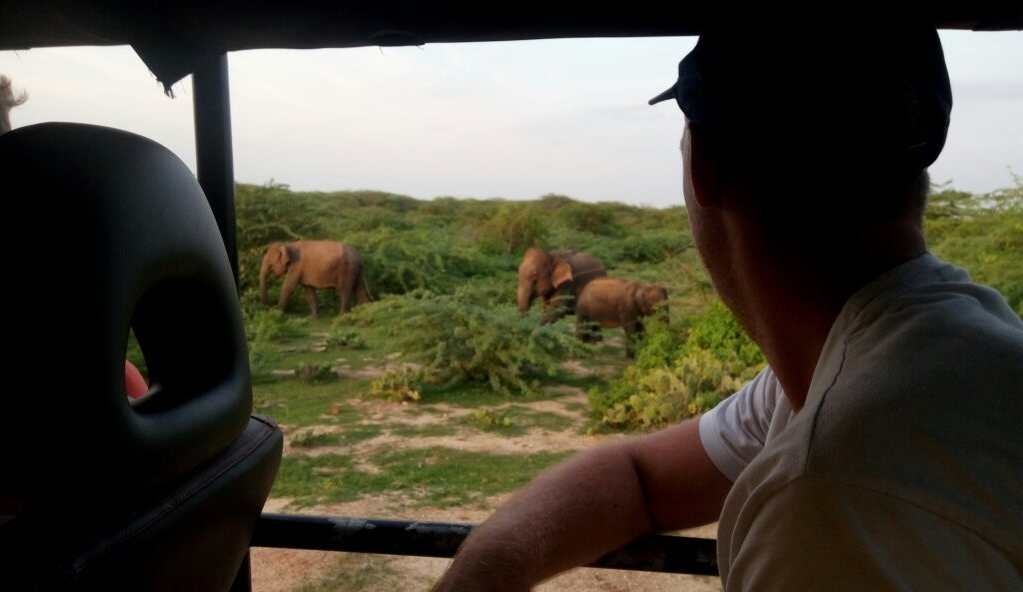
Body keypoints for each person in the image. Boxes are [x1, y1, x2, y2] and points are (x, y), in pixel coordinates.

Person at [434, 21, 1022, 591]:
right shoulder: (936, 342)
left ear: (704, 166)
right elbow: (638, 478)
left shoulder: (831, 488)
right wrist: (492, 563)